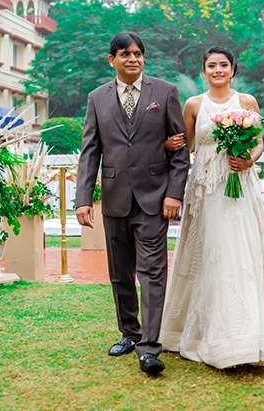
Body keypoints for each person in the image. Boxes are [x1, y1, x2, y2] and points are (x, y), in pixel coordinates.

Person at [159, 46, 264, 369]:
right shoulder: (194, 104)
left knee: (242, 254)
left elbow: (260, 142)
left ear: (233, 69)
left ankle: (246, 337)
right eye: (211, 65)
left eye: (223, 65)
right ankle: (200, 334)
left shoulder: (246, 102)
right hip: (206, 188)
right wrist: (167, 145)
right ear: (203, 71)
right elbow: (184, 146)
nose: (217, 70)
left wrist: (249, 158)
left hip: (239, 186)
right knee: (210, 253)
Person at [75, 32, 189, 375]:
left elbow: (180, 148)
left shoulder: (165, 92)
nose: (133, 59)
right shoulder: (97, 98)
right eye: (125, 54)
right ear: (112, 60)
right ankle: (129, 333)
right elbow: (90, 151)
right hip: (114, 199)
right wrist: (83, 199)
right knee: (119, 273)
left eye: (138, 53)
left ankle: (149, 348)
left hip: (155, 198)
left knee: (152, 272)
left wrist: (174, 194)